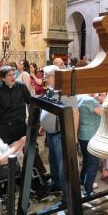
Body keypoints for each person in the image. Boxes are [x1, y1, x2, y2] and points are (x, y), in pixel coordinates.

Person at [40, 65, 79, 202]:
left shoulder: (67, 92)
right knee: (53, 162)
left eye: (47, 76)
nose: (44, 79)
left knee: (63, 167)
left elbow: (75, 113)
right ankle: (56, 184)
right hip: (50, 134)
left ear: (55, 76)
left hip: (60, 134)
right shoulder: (51, 89)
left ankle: (66, 196)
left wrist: (73, 137)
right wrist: (43, 125)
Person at [0, 65, 32, 144]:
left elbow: (29, 102)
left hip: (20, 125)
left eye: (13, 74)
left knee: (24, 150)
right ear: (3, 78)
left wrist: (31, 119)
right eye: (10, 75)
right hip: (3, 128)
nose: (13, 77)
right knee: (5, 152)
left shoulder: (21, 86)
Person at [77, 93, 104, 196]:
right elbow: (105, 114)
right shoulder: (90, 101)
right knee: (93, 163)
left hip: (82, 135)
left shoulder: (79, 97)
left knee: (87, 160)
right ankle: (87, 190)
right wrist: (104, 101)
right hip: (91, 136)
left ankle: (82, 181)